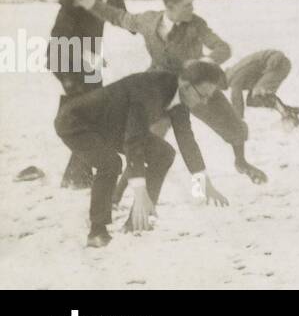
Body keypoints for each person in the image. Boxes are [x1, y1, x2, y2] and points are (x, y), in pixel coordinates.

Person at [75, 0, 267, 183]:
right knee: (143, 142)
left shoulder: (196, 24)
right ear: (170, 7)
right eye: (187, 5)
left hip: (197, 86)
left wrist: (202, 63)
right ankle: (116, 194)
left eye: (192, 3)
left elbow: (223, 48)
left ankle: (241, 162)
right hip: (159, 91)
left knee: (234, 128)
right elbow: (118, 16)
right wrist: (89, 3)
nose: (192, 9)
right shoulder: (148, 21)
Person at [54, 60, 226, 248]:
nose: (205, 102)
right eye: (203, 96)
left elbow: (186, 139)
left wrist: (203, 183)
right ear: (186, 86)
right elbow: (133, 141)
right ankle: (97, 231)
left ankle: (138, 221)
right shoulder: (150, 91)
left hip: (112, 125)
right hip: (76, 122)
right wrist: (140, 191)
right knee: (110, 164)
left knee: (164, 154)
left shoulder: (179, 95)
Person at [48, 0, 127, 189]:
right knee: (84, 113)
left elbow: (121, 16)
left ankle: (76, 175)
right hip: (66, 55)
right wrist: (75, 67)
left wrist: (152, 26)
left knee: (93, 111)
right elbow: (61, 33)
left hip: (89, 57)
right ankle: (76, 176)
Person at [226, 49, 299, 126]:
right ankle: (288, 110)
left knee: (259, 93)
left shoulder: (234, 78)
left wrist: (238, 121)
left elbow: (236, 99)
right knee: (252, 100)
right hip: (274, 63)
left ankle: (288, 115)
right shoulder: (234, 73)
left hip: (278, 63)